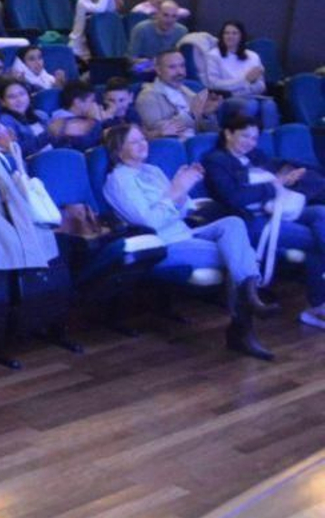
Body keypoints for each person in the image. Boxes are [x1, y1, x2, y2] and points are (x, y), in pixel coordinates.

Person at [102, 123, 279, 360]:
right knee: (239, 256)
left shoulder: (152, 170)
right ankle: (244, 322)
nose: (143, 143)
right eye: (134, 141)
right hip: (162, 244)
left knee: (233, 224)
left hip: (185, 233)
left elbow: (183, 211)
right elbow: (149, 223)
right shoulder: (118, 180)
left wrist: (184, 188)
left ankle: (247, 300)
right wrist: (175, 190)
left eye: (143, 138)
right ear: (118, 150)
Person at [202, 112, 325, 328]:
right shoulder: (216, 160)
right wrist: (273, 184)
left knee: (321, 213)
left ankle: (318, 307)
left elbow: (275, 186)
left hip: (276, 211)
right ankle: (318, 307)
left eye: (254, 138)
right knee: (315, 242)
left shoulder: (256, 155)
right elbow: (235, 198)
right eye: (244, 136)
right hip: (252, 221)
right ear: (228, 133)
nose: (250, 142)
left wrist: (286, 181)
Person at [200, 20, 279, 129]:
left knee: (270, 106)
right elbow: (214, 84)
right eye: (226, 33)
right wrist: (245, 80)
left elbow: (261, 85)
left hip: (251, 95)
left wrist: (246, 88)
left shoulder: (253, 56)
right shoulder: (213, 55)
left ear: (241, 36)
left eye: (234, 33)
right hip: (226, 97)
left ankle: (268, 140)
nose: (230, 36)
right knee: (251, 105)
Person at [136, 50, 220, 139]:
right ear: (158, 70)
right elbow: (160, 130)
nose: (180, 72)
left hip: (196, 143)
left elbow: (208, 129)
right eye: (172, 67)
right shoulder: (147, 97)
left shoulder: (187, 91)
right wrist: (190, 115)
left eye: (182, 66)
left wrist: (207, 114)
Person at [0, 78, 52, 159]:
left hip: (54, 157)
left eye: (22, 94)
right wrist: (49, 134)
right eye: (12, 97)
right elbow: (17, 151)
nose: (19, 100)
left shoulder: (41, 115)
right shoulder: (5, 120)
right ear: (3, 102)